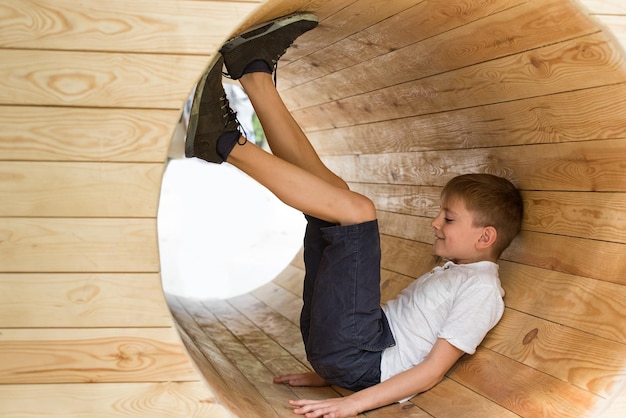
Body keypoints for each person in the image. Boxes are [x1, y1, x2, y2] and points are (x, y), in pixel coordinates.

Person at [185, 12, 524, 418]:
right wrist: (328, 374)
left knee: (357, 212)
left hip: (360, 358)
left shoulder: (483, 292)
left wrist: (350, 401)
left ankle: (225, 143)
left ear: (486, 237)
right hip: (349, 351)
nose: (436, 223)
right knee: (336, 199)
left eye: (448, 219)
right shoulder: (459, 272)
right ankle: (254, 72)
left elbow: (429, 371)